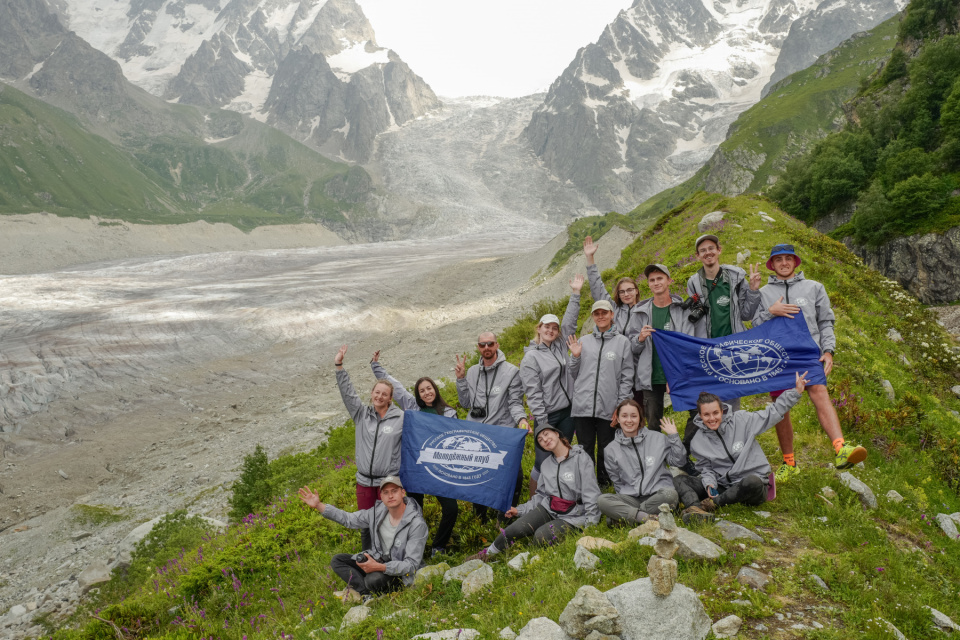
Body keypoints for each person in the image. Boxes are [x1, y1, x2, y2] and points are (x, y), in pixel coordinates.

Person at [752, 244, 867, 480]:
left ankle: (840, 448)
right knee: (781, 407)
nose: (783, 263)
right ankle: (789, 463)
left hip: (808, 352)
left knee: (819, 392)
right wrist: (770, 312)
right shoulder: (763, 293)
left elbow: (826, 322)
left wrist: (828, 350)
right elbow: (755, 326)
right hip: (777, 356)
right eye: (778, 259)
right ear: (771, 265)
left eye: (788, 259)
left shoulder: (814, 288)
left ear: (795, 262)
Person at [675, 372, 809, 524]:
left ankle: (713, 504)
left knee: (752, 481)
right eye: (706, 415)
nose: (712, 418)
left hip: (752, 484)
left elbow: (771, 413)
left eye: (715, 413)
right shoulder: (697, 440)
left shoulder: (742, 420)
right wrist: (710, 484)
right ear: (699, 416)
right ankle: (695, 510)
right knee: (679, 480)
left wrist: (795, 392)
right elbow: (706, 469)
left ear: (722, 410)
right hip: (724, 485)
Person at [467, 423, 601, 560]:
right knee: (513, 529)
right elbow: (541, 496)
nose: (545, 440)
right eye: (540, 440)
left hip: (573, 516)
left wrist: (590, 526)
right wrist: (518, 510)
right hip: (549, 508)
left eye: (547, 434)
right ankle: (486, 555)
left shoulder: (581, 459)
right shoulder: (546, 465)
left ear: (557, 433)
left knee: (541, 536)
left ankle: (532, 549)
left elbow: (591, 494)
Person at [370, 352, 459, 557]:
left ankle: (438, 546)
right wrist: (376, 366)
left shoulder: (449, 412)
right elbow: (396, 386)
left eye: (429, 388)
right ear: (418, 395)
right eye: (422, 390)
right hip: (417, 470)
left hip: (439, 471)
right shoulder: (412, 407)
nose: (426, 392)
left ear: (435, 390)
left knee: (451, 509)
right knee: (414, 511)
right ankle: (413, 549)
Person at [682, 234, 763, 449]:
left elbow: (746, 315)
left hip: (733, 349)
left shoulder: (736, 276)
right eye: (703, 250)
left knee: (732, 400)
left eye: (711, 248)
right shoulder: (693, 282)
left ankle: (735, 446)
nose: (708, 253)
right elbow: (694, 317)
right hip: (708, 351)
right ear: (698, 256)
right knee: (709, 401)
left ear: (719, 250)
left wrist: (754, 290)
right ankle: (714, 448)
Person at [298, 476, 427, 604]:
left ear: (403, 492)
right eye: (386, 492)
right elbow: (349, 519)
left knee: (373, 580)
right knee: (338, 560)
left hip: (399, 573)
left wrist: (380, 567)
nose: (390, 496)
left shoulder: (416, 524)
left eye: (394, 491)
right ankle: (367, 594)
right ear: (381, 496)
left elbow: (411, 565)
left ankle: (368, 589)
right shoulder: (377, 513)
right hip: (378, 560)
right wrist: (319, 506)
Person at [335, 344, 404, 550]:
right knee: (365, 523)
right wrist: (339, 365)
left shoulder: (401, 418)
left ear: (390, 398)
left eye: (384, 394)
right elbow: (348, 394)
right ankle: (367, 558)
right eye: (377, 392)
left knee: (389, 522)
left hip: (388, 483)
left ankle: (390, 559)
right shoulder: (361, 414)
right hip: (364, 482)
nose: (380, 397)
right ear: (372, 393)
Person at [456, 332, 530, 522]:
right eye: (482, 345)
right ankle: (480, 518)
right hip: (478, 433)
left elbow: (515, 402)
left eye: (490, 344)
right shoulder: (472, 372)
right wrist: (461, 379)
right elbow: (465, 404)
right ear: (478, 347)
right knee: (478, 476)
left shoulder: (512, 371)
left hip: (502, 431)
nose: (486, 348)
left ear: (497, 345)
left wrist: (522, 419)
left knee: (513, 474)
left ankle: (505, 514)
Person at [519, 275, 583, 496]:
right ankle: (534, 499)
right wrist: (542, 422)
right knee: (541, 461)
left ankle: (559, 495)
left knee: (562, 454)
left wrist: (576, 294)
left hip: (567, 412)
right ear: (539, 328)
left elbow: (570, 322)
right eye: (547, 327)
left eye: (554, 328)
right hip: (547, 415)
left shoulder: (558, 345)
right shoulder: (531, 358)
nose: (551, 330)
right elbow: (533, 393)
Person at [568, 299, 635, 487]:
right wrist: (575, 356)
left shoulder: (623, 342)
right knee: (584, 447)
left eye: (604, 313)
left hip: (609, 405)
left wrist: (621, 406)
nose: (601, 316)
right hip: (583, 405)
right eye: (596, 313)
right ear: (593, 317)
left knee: (606, 447)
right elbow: (573, 373)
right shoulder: (583, 341)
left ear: (612, 315)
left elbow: (627, 376)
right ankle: (588, 484)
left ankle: (604, 484)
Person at [627, 264, 696, 435]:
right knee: (652, 424)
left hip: (679, 374)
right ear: (648, 284)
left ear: (669, 281)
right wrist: (640, 338)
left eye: (660, 278)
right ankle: (657, 459)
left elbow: (687, 344)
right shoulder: (639, 312)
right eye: (652, 280)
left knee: (696, 413)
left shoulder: (682, 310)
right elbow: (633, 348)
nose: (656, 282)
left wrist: (673, 374)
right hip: (651, 376)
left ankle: (685, 452)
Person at [599, 400, 685, 526]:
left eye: (634, 416)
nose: (629, 420)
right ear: (617, 418)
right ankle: (648, 518)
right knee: (602, 500)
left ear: (640, 418)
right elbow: (616, 481)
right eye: (624, 416)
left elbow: (679, 461)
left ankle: (626, 518)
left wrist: (674, 437)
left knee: (670, 494)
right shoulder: (610, 449)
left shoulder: (658, 438)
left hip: (658, 495)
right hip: (631, 498)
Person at [583, 235, 641, 335]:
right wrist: (590, 258)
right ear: (618, 295)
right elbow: (598, 290)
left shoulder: (644, 311)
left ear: (636, 290)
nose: (626, 294)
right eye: (622, 292)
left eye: (630, 290)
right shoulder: (614, 309)